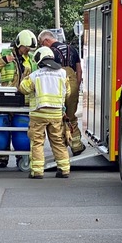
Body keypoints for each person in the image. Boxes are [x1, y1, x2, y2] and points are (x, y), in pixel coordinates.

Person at [18, 47, 71, 179]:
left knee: (37, 142)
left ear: (39, 60)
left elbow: (23, 89)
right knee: (58, 141)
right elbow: (68, 93)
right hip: (56, 114)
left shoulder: (35, 75)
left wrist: (25, 77)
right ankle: (64, 169)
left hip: (38, 114)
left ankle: (37, 171)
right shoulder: (63, 74)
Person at [0, 29, 38, 168]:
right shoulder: (5, 54)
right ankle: (2, 157)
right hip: (6, 99)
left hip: (25, 100)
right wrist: (4, 60)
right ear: (18, 44)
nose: (27, 51)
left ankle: (20, 156)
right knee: (3, 127)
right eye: (25, 48)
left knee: (20, 129)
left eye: (29, 49)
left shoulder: (32, 58)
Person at [37, 29, 85, 155]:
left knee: (58, 118)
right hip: (73, 84)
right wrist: (76, 86)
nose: (42, 47)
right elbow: (79, 71)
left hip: (58, 87)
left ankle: (61, 148)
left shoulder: (50, 52)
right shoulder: (72, 49)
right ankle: (76, 146)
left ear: (46, 40)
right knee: (71, 117)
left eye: (42, 44)